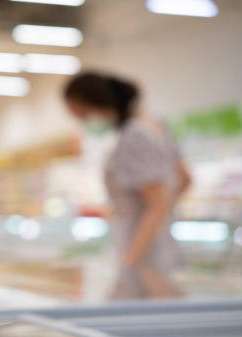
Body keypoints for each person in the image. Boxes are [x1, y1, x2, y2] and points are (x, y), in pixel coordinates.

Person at [64, 72, 192, 299]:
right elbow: (184, 181)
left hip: (142, 252)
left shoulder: (134, 136)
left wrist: (129, 262)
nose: (84, 122)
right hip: (158, 246)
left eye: (82, 115)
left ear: (94, 103)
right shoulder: (156, 126)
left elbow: (157, 204)